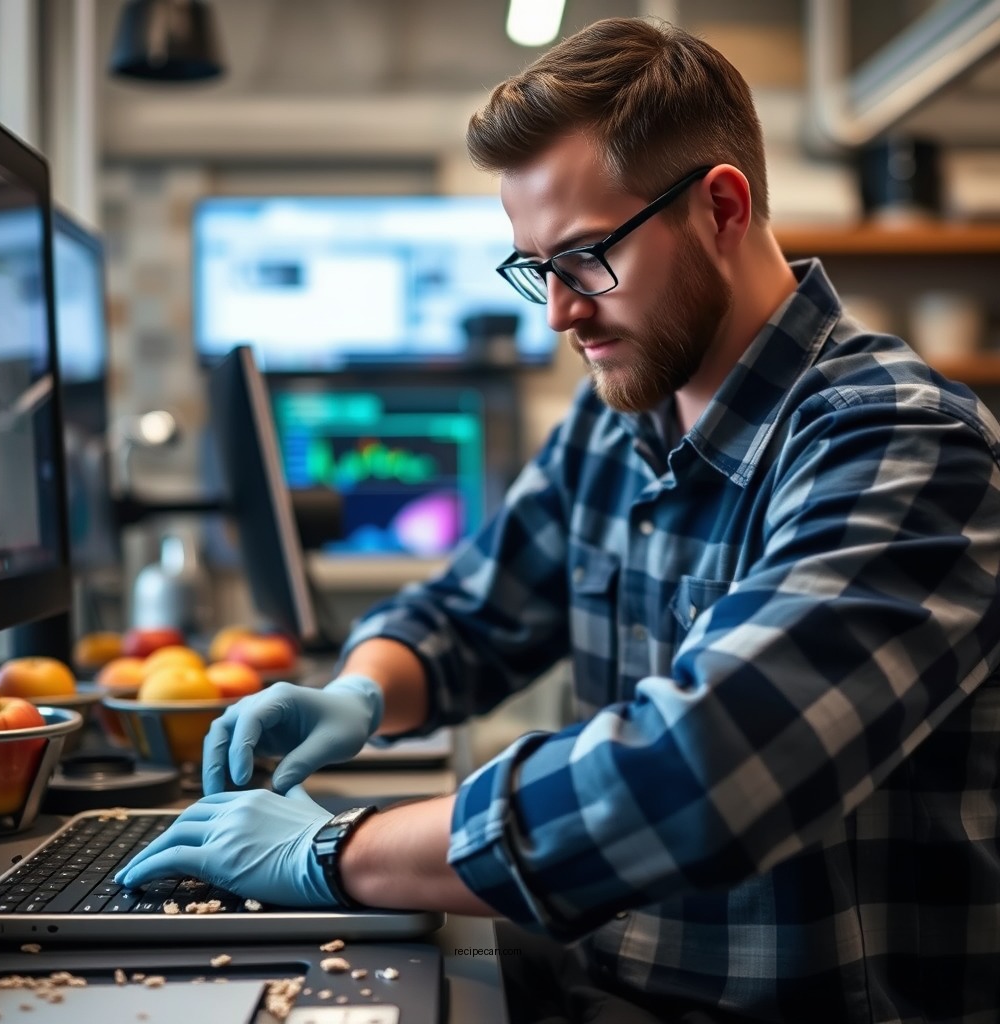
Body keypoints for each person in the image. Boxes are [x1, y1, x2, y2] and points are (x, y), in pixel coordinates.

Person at [115, 16, 1000, 1024]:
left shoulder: (898, 443)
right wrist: (359, 690)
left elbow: (698, 773)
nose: (557, 315)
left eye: (584, 259)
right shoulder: (622, 413)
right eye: (536, 268)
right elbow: (471, 611)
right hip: (606, 986)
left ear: (719, 206)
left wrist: (333, 850)